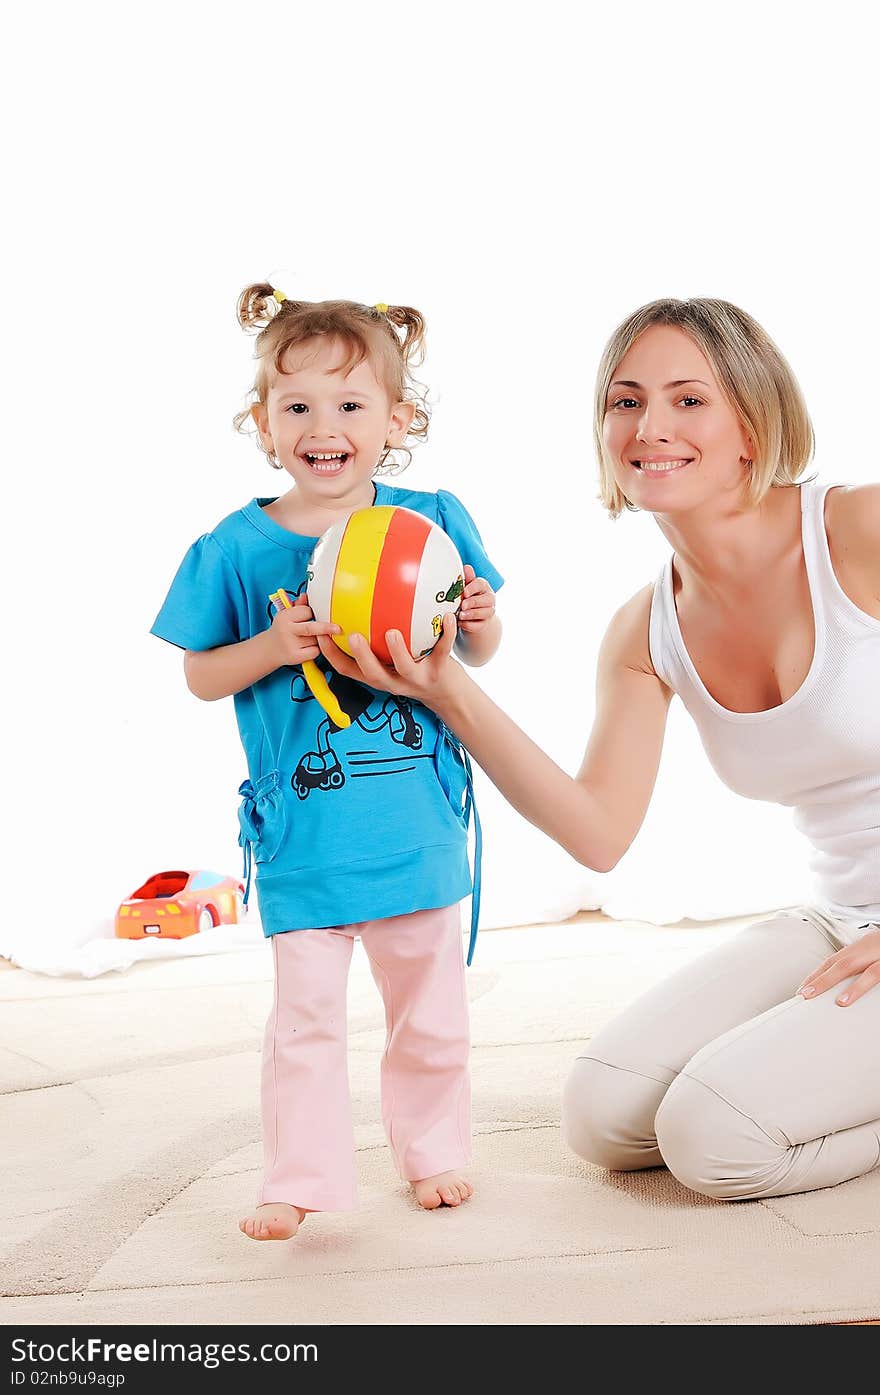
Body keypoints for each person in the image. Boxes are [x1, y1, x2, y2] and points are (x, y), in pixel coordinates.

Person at [320, 297, 880, 1203]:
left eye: (688, 400)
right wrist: (445, 687)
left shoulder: (858, 530)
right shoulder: (645, 628)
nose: (650, 427)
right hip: (838, 913)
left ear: (753, 420)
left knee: (716, 1139)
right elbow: (599, 832)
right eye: (625, 402)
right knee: (604, 1116)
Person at [151, 286, 503, 1239]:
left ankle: (433, 1152)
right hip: (305, 832)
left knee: (429, 1012)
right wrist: (277, 647)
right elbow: (199, 674)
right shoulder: (236, 545)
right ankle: (299, 1177)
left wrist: (479, 621)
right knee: (304, 1022)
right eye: (296, 404)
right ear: (263, 422)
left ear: (398, 419)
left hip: (418, 823)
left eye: (350, 405)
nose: (324, 426)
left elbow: (477, 651)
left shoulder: (429, 521)